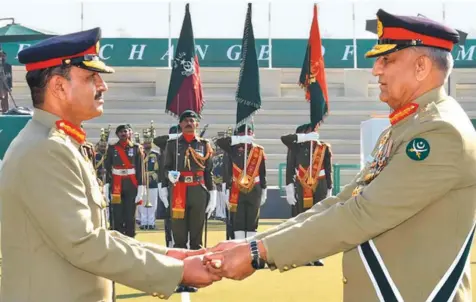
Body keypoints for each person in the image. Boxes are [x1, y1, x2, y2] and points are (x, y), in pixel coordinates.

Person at [204, 9, 476, 301]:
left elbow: (362, 213)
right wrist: (253, 244)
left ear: (421, 66)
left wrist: (257, 254)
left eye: (387, 59)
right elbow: (343, 200)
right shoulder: (408, 126)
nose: (376, 70)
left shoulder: (438, 132)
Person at [0, 27, 221, 301]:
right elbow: (84, 244)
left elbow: (97, 235)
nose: (103, 86)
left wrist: (169, 254)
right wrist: (178, 271)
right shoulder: (46, 149)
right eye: (92, 77)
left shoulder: (59, 144)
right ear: (58, 86)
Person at [162, 110, 217, 250]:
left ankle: (196, 265)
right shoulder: (172, 144)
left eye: (192, 121)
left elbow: (208, 171)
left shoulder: (204, 145)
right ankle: (180, 265)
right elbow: (165, 168)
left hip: (198, 190)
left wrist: (213, 195)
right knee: (179, 233)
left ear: (197, 124)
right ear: (180, 124)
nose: (189, 123)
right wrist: (169, 175)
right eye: (185, 121)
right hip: (178, 189)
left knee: (197, 233)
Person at [215, 124, 267, 240]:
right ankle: (238, 245)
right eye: (243, 133)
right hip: (236, 188)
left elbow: (262, 172)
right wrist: (225, 189)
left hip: (255, 188)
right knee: (238, 220)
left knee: (252, 220)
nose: (247, 135)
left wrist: (264, 189)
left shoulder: (258, 150)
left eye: (249, 132)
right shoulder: (232, 148)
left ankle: (250, 248)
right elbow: (220, 143)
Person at [104, 124, 145, 238]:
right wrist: (106, 186)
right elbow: (107, 168)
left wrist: (141, 188)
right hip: (116, 185)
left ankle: (130, 239)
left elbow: (140, 169)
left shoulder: (136, 148)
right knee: (116, 214)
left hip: (131, 185)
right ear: (117, 134)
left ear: (129, 133)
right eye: (121, 132)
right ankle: (117, 238)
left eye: (125, 131)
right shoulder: (112, 148)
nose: (123, 134)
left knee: (130, 215)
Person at [155, 124, 182, 248]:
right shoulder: (165, 146)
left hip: (183, 187)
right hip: (168, 186)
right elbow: (157, 140)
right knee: (169, 218)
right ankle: (169, 243)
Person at [140, 128, 160, 230]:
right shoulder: (139, 154)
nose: (147, 144)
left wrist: (153, 177)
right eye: (146, 142)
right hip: (142, 181)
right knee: (143, 202)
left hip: (152, 181)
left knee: (153, 203)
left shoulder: (156, 155)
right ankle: (143, 222)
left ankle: (151, 222)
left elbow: (159, 169)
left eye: (149, 142)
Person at [0, 49, 12, 114]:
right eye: (1, 56)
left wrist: (10, 86)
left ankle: (5, 111)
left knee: (5, 99)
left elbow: (10, 77)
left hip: (5, 85)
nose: (2, 57)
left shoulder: (8, 66)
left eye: (4, 56)